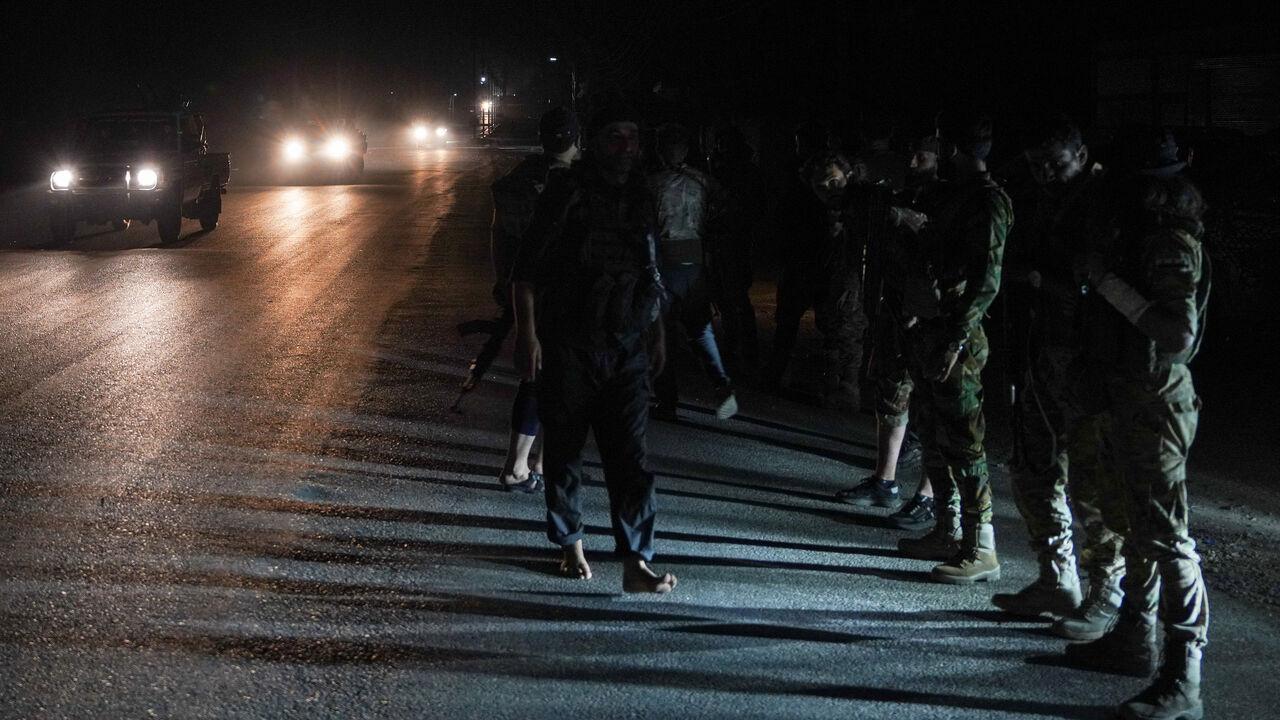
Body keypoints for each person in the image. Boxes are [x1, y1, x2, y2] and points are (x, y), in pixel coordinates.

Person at [1062, 128, 1210, 720]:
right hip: (1130, 397)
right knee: (1136, 525)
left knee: (1169, 538)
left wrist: (1106, 282)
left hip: (1156, 402)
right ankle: (1133, 640)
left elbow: (1177, 336)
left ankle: (1184, 678)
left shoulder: (1169, 241)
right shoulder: (1142, 234)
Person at [510, 99, 678, 594]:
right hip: (569, 346)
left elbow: (650, 272)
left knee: (632, 460)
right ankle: (571, 546)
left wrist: (658, 333)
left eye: (632, 138)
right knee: (564, 455)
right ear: (594, 144)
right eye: (614, 138)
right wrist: (528, 335)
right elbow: (525, 271)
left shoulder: (642, 198)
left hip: (625, 345)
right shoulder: (568, 194)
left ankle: (635, 561)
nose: (625, 148)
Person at [989, 115, 1128, 624]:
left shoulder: (1103, 204)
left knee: (1091, 485)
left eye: (1056, 163)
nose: (1046, 172)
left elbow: (1100, 290)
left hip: (1087, 363)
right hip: (1043, 351)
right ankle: (1056, 579)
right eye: (1037, 165)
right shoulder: (1043, 200)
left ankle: (1105, 594)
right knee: (1032, 467)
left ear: (1083, 154)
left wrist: (1041, 279)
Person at [887, 110, 1011, 584]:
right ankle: (948, 527)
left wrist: (957, 339)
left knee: (963, 436)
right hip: (932, 326)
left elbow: (986, 281)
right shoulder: (953, 197)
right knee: (934, 431)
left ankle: (981, 547)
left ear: (954, 151)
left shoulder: (987, 202)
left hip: (955, 334)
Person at [834, 132, 939, 531]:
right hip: (896, 307)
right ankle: (885, 481)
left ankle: (928, 497)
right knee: (892, 395)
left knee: (932, 407)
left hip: (930, 315)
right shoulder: (902, 194)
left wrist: (910, 222)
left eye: (922, 157)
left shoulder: (949, 199)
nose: (913, 164)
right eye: (911, 156)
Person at [490, 106, 580, 492]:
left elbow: (501, 235)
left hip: (526, 286)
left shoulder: (518, 180)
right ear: (577, 138)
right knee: (549, 378)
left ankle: (536, 463)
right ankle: (521, 466)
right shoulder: (582, 181)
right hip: (567, 290)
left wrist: (502, 280)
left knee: (540, 373)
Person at [647, 123, 738, 422]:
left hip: (665, 260)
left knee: (663, 335)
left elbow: (645, 229)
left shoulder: (652, 183)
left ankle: (667, 401)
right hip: (695, 261)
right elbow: (726, 210)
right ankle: (721, 383)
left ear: (661, 150)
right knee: (700, 330)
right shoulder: (703, 181)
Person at [706, 124, 764, 382]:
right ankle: (734, 353)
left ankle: (744, 354)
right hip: (720, 240)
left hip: (735, 241)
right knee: (726, 299)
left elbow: (746, 209)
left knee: (736, 300)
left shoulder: (743, 172)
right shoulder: (720, 169)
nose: (721, 148)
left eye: (724, 143)